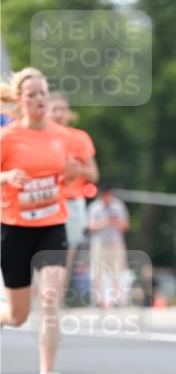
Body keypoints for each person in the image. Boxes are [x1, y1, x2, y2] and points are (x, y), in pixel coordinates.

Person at [0, 68, 84, 374]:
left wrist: (72, 173)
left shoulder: (62, 136)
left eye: (42, 94)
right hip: (14, 228)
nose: (38, 100)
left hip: (51, 225)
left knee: (50, 298)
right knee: (18, 316)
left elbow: (74, 174)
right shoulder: (7, 138)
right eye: (31, 94)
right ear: (20, 101)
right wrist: (7, 178)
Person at [47, 92, 99, 284]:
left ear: (69, 113)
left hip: (71, 204)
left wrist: (77, 169)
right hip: (45, 201)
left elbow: (93, 175)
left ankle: (55, 305)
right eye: (54, 109)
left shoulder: (79, 138)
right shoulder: (38, 137)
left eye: (63, 109)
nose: (59, 114)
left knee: (65, 256)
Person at [87, 186, 130, 307]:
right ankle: (98, 299)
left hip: (115, 243)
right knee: (97, 272)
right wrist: (104, 223)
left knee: (117, 271)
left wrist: (115, 222)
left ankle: (117, 299)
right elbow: (89, 227)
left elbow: (125, 226)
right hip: (99, 244)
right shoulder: (94, 207)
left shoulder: (118, 206)